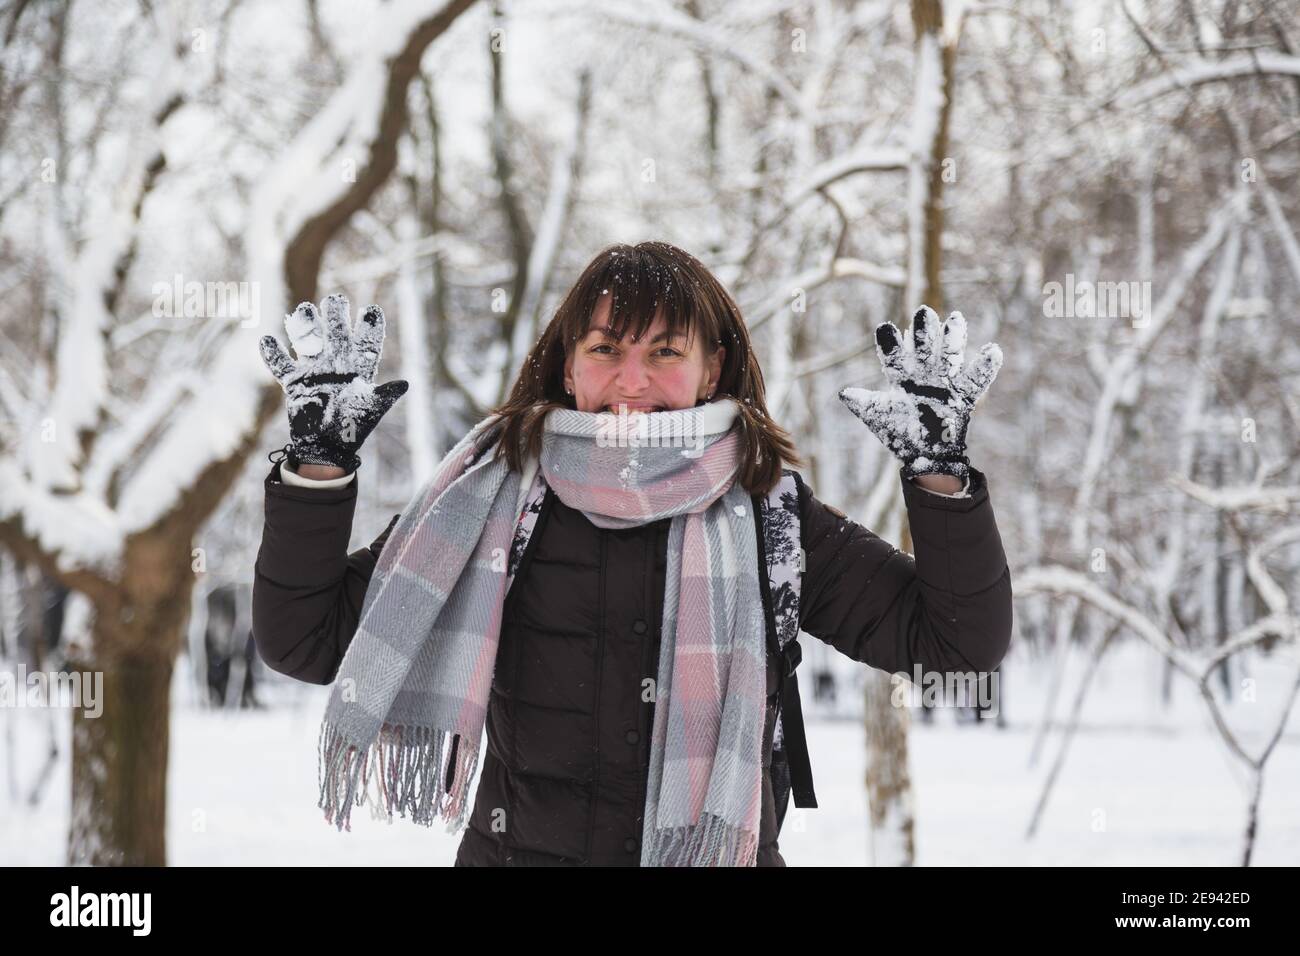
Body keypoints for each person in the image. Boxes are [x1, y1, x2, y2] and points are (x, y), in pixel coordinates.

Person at [252, 240, 1012, 866]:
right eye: (606, 348)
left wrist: (938, 476)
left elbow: (956, 642)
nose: (632, 380)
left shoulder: (769, 511)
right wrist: (318, 468)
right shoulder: (489, 498)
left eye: (664, 352)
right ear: (570, 364)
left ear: (711, 368)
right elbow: (307, 641)